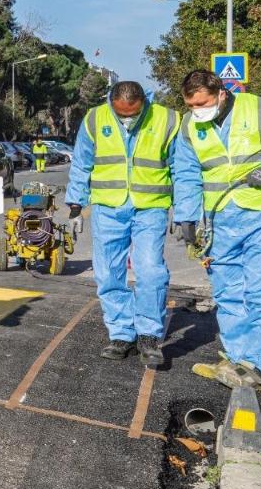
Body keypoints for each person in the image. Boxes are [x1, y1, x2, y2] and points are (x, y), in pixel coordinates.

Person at [174, 69, 261, 389]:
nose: (198, 110)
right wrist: (185, 217)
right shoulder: (189, 125)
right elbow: (186, 173)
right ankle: (237, 358)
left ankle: (256, 365)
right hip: (220, 218)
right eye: (191, 105)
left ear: (222, 93)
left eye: (204, 103)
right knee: (228, 292)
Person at [64, 81, 184, 368]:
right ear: (111, 103)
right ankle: (121, 333)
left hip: (150, 208)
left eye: (133, 114)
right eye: (121, 114)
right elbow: (82, 163)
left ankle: (148, 336)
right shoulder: (95, 118)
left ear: (145, 103)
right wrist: (75, 206)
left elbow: (181, 167)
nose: (126, 119)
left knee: (150, 271)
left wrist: (185, 211)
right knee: (108, 274)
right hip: (108, 207)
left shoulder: (168, 119)